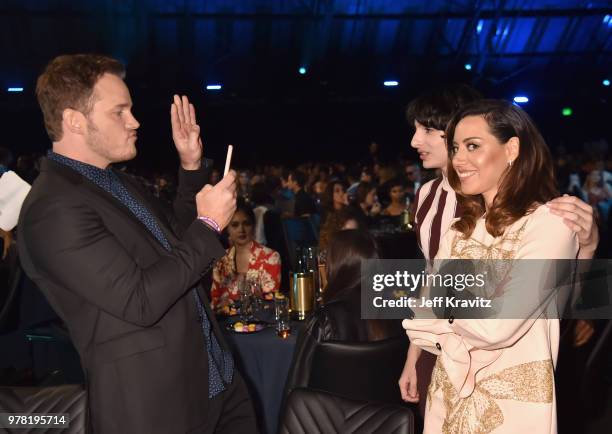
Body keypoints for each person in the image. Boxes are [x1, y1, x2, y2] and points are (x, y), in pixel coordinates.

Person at [17, 54, 256, 434]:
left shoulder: (115, 182)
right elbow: (139, 300)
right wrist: (210, 222)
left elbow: (176, 243)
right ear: (74, 120)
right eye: (120, 112)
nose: (135, 122)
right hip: (159, 407)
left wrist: (191, 167)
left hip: (216, 380)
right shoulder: (52, 209)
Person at [398, 86, 599, 418]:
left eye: (472, 146)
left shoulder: (549, 222)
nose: (459, 159)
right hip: (447, 388)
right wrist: (416, 350)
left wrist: (438, 313)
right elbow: (422, 314)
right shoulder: (456, 225)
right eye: (456, 147)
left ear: (512, 149)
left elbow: (497, 326)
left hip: (510, 400)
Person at [284, 229, 403, 394]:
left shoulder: (324, 320)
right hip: (388, 415)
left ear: (336, 265)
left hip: (333, 416)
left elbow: (297, 386)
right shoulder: (399, 311)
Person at [210, 202, 281, 311]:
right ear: (227, 228)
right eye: (234, 225)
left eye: (246, 223)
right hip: (225, 324)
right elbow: (215, 300)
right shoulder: (221, 259)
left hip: (261, 323)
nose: (241, 230)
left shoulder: (270, 257)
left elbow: (270, 301)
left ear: (253, 225)